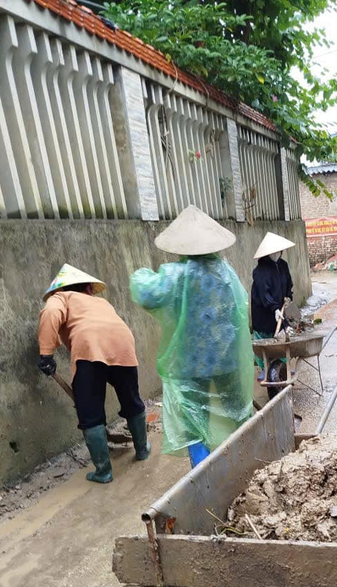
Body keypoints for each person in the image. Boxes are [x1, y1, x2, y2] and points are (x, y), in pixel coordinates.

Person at [129, 205, 254, 467]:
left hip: (191, 364)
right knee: (238, 413)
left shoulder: (178, 275)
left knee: (194, 422)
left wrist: (139, 274)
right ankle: (250, 459)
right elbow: (239, 312)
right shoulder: (226, 272)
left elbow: (146, 293)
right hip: (227, 359)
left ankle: (204, 477)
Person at [37, 264, 149, 484]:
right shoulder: (101, 302)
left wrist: (46, 355)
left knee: (90, 413)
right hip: (123, 344)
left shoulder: (61, 297)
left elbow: (50, 313)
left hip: (89, 348)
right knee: (131, 399)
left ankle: (103, 471)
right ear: (88, 288)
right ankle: (143, 449)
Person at [251, 232, 295, 374]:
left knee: (281, 340)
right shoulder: (260, 271)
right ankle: (264, 368)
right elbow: (264, 294)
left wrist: (288, 298)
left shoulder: (283, 266)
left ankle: (282, 368)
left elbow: (288, 284)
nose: (278, 254)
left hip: (279, 310)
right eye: (274, 252)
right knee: (265, 341)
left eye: (279, 251)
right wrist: (274, 308)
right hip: (263, 311)